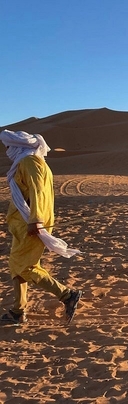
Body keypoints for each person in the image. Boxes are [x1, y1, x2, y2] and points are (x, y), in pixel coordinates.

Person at [0, 129, 82, 325]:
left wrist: (35, 221)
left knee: (26, 267)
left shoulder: (30, 162)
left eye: (10, 147)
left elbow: (39, 193)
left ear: (19, 146)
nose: (8, 151)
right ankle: (18, 311)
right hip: (22, 224)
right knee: (17, 266)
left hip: (31, 225)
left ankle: (67, 294)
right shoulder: (25, 162)